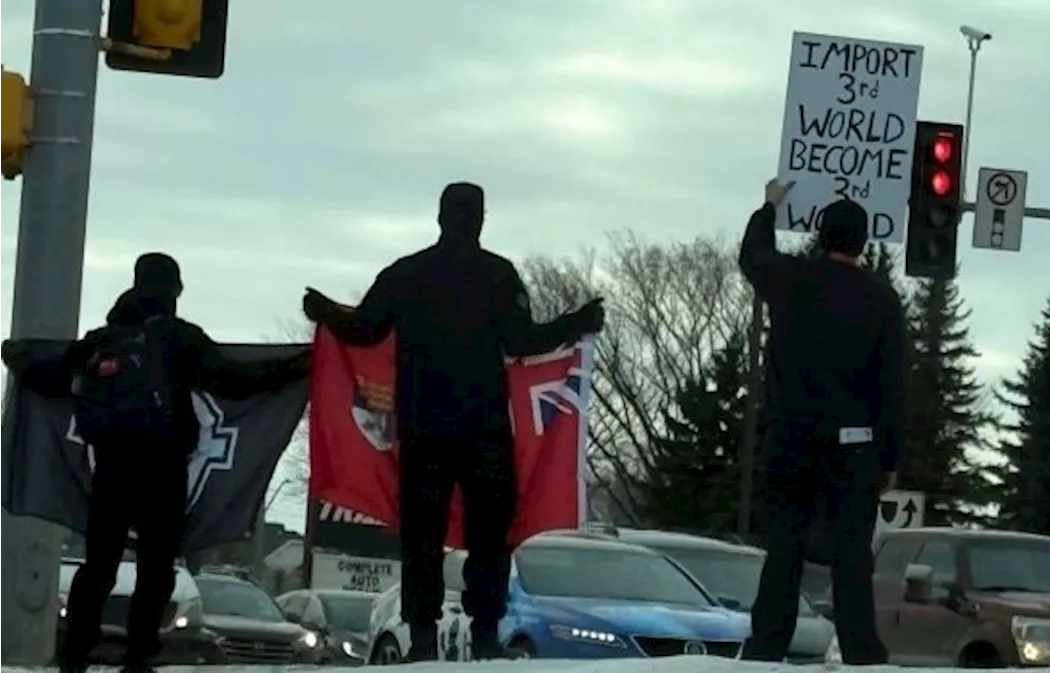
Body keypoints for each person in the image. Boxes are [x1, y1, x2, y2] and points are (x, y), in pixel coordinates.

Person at [301, 182, 604, 661]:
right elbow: (523, 340)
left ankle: (422, 639)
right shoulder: (497, 275)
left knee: (422, 535)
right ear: (480, 218)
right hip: (483, 426)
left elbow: (363, 329)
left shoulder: (406, 274)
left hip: (423, 427)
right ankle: (485, 635)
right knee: (489, 537)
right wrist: (578, 321)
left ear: (440, 217)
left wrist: (326, 312)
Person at [2, 253, 310, 673]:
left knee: (99, 564)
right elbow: (234, 379)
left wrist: (20, 359)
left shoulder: (104, 339)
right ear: (174, 289)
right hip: (163, 467)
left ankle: (74, 655)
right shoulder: (178, 337)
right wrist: (296, 367)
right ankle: (139, 655)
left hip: (110, 467)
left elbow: (52, 377)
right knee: (156, 565)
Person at [738, 179, 906, 665]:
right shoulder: (881, 301)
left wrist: (769, 206)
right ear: (863, 242)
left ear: (820, 234)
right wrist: (889, 456)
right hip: (854, 446)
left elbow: (754, 257)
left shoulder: (792, 281)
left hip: (789, 439)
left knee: (784, 547)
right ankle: (860, 649)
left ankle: (768, 643)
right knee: (852, 554)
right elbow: (892, 384)